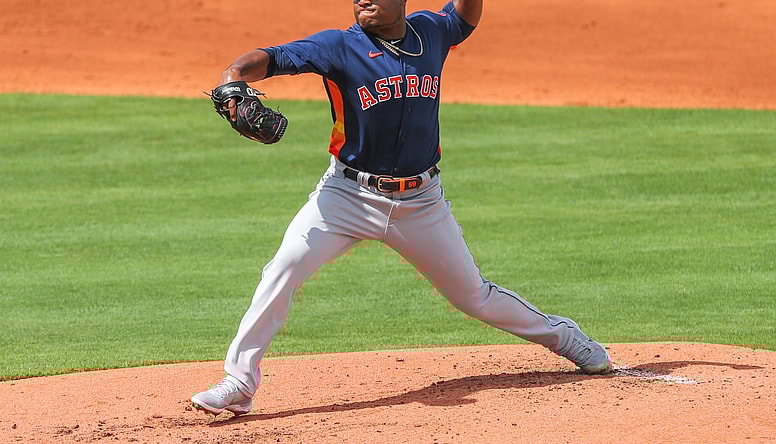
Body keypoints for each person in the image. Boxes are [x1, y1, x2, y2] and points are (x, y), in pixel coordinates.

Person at [191, 0, 612, 416]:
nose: (362, 0)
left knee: (474, 296)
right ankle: (240, 382)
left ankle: (564, 336)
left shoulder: (431, 32)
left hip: (421, 201)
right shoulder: (339, 47)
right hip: (347, 196)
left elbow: (465, 14)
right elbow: (272, 58)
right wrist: (233, 78)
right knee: (283, 269)